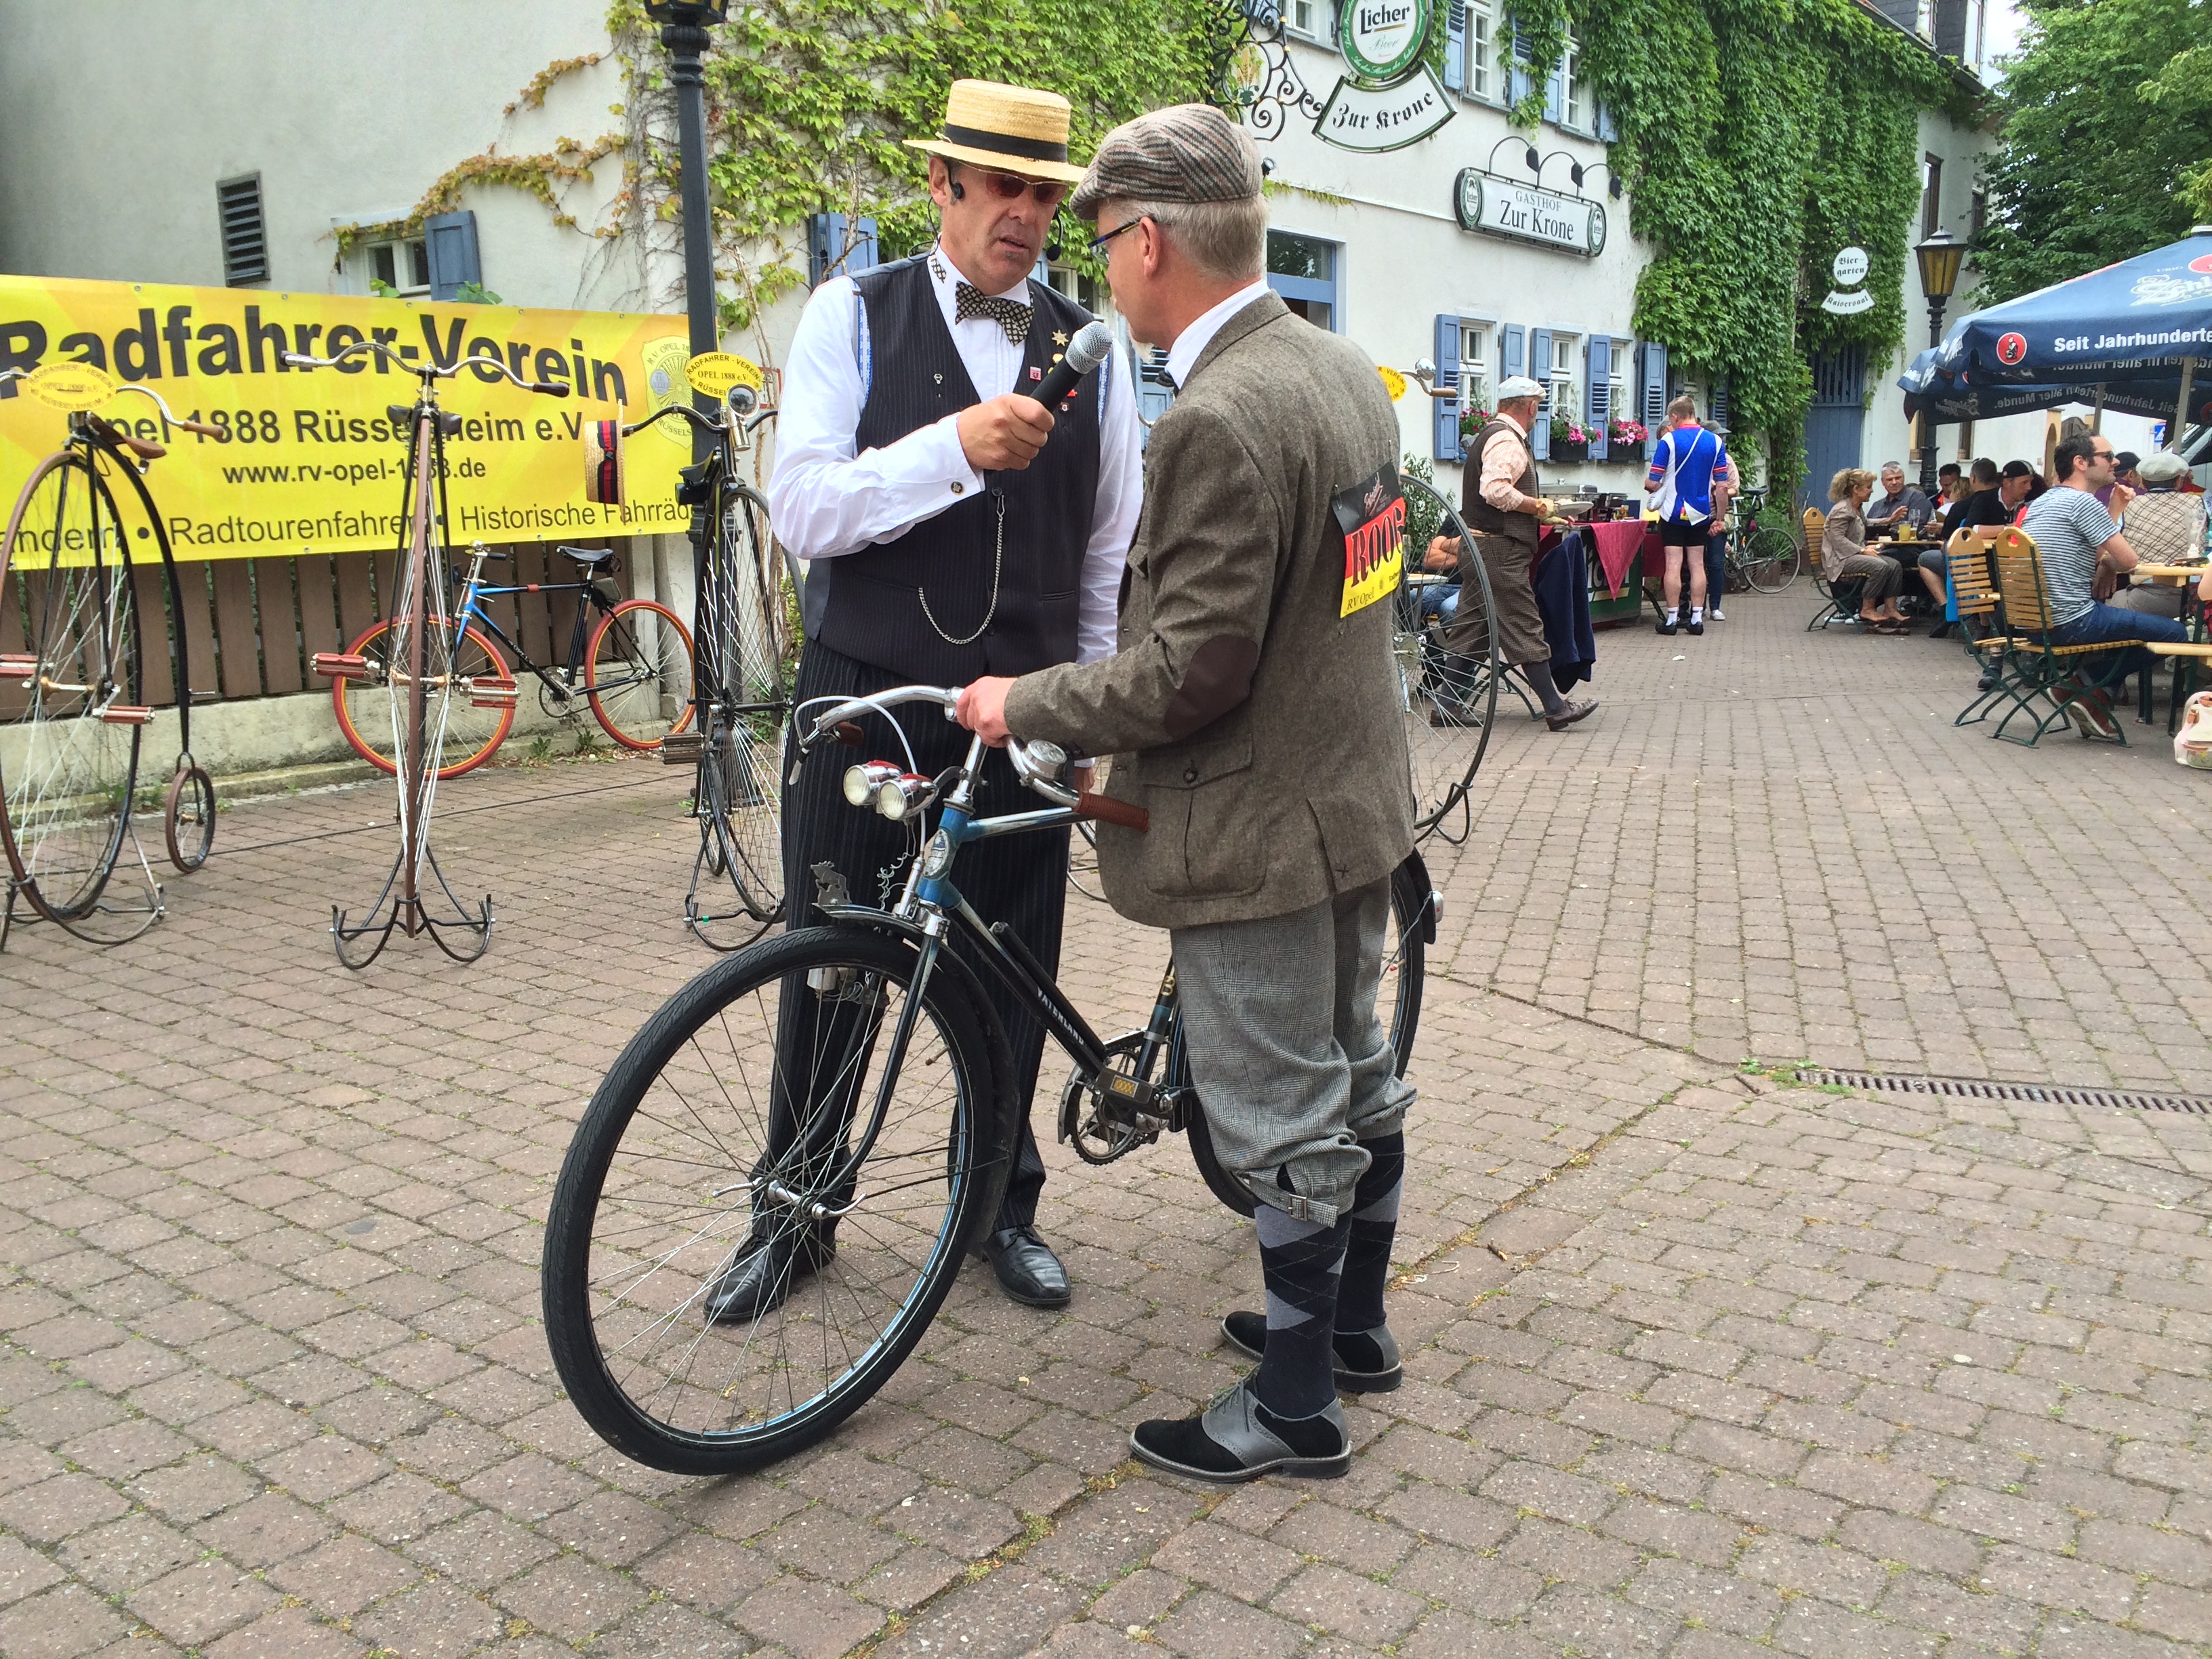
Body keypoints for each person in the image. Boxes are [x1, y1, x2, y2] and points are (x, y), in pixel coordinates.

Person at [956, 104, 1416, 1484]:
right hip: (1352, 803)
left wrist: (1022, 700)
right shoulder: (1343, 373)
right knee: (1355, 1070)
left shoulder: (1219, 412)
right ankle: (1352, 1330)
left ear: (1149, 239)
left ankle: (1289, 1407)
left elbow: (1191, 674)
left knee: (1278, 1118)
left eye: (1102, 241)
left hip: (1258, 823)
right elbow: (1351, 594)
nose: (1099, 269)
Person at [731, 80, 1144, 1320]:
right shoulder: (848, 315)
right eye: (998, 187)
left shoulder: (1091, 349)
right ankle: (793, 1214)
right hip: (869, 698)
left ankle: (996, 1209)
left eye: (1041, 193)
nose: (1020, 214)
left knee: (1008, 967)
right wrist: (950, 448)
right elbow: (801, 505)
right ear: (942, 188)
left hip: (1018, 708)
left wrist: (1081, 721)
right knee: (832, 964)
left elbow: (1101, 552)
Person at [1427, 379, 1599, 727]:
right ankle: (1555, 707)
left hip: (1481, 545)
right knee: (1523, 624)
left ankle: (1446, 707)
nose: (1538, 414)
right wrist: (1537, 506)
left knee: (1471, 627)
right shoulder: (1507, 439)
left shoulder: (1492, 434)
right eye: (1538, 406)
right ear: (1530, 406)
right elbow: (1494, 490)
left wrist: (1543, 512)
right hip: (1499, 549)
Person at [2017, 431, 2190, 737]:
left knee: (2124, 615)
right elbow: (2130, 562)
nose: (2117, 461)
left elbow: (2096, 550)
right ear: (2081, 463)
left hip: (2035, 620)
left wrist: (2113, 513)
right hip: (2073, 621)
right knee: (2176, 632)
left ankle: (2086, 687)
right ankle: (2088, 684)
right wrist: (2111, 562)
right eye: (2108, 457)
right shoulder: (2084, 504)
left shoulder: (2044, 502)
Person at [1643, 394, 1733, 635]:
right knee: (1697, 565)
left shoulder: (1669, 441)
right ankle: (1696, 619)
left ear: (1675, 416)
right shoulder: (1715, 442)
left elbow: (1654, 482)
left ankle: (1672, 620)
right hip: (1702, 512)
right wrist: (1720, 518)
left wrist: (1650, 485)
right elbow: (1722, 487)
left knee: (1673, 564)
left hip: (1673, 512)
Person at [2106, 451, 2209, 619]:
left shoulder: (2128, 506)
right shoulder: (2200, 504)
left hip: (2141, 599)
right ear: (2178, 481)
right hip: (2193, 598)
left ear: (2143, 484)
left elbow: (2115, 552)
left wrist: (2105, 565)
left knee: (2111, 605)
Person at [1919, 457, 2010, 632]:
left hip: (1971, 566)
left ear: (1973, 478)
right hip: (2003, 562)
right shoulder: (2003, 502)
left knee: (1924, 559)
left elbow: (1949, 544)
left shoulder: (1962, 506)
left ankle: (1946, 606)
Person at [1822, 468, 1909, 632]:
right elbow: (1837, 539)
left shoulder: (1856, 507)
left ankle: (1890, 608)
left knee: (1894, 565)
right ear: (1856, 489)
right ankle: (1867, 609)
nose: (1872, 490)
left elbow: (1866, 522)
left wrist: (1889, 520)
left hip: (1851, 555)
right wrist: (1862, 551)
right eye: (1869, 487)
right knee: (1879, 566)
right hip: (1839, 560)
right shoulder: (1842, 510)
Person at [1866, 462, 1934, 536]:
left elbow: (1916, 529)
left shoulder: (1917, 498)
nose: (1894, 482)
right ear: (1883, 482)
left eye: (1898, 478)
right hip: (1875, 545)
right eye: (1889, 479)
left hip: (1907, 546)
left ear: (1903, 478)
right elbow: (1866, 529)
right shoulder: (1877, 506)